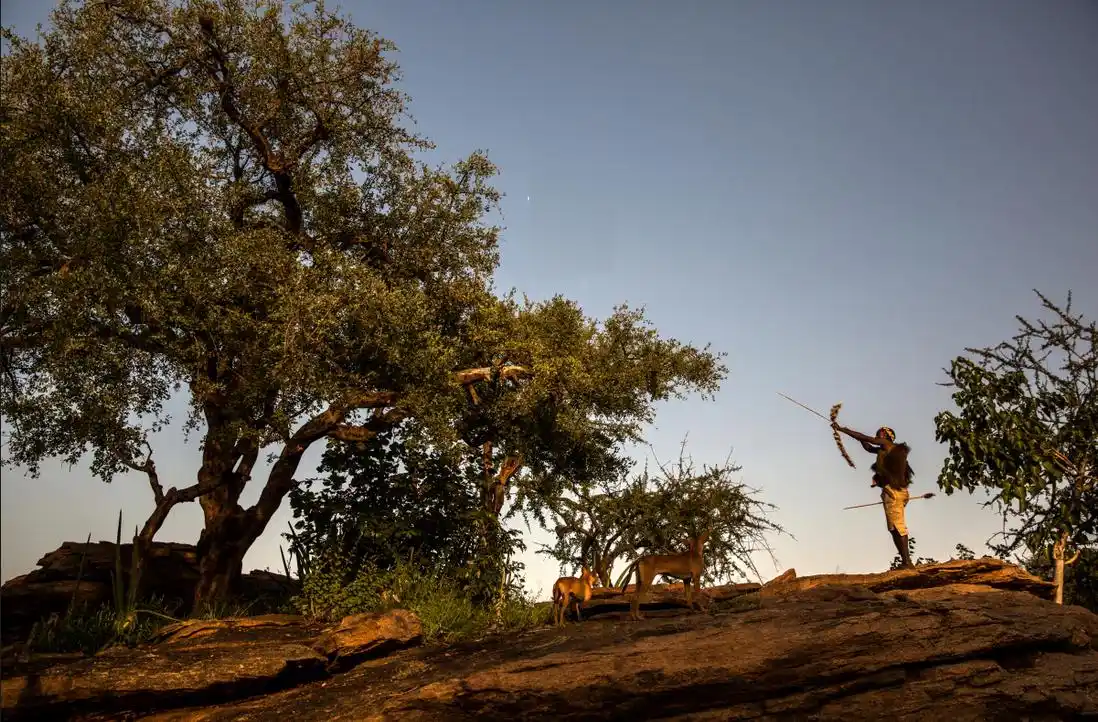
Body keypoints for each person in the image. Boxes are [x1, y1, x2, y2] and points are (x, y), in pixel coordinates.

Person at [832, 423, 916, 569]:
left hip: (894, 492)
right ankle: (905, 561)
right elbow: (868, 447)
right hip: (894, 492)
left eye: (882, 433)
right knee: (894, 528)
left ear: (888, 436)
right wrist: (858, 438)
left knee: (898, 527)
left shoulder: (887, 444)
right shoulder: (884, 450)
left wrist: (842, 429)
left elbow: (867, 439)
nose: (878, 434)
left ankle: (907, 563)